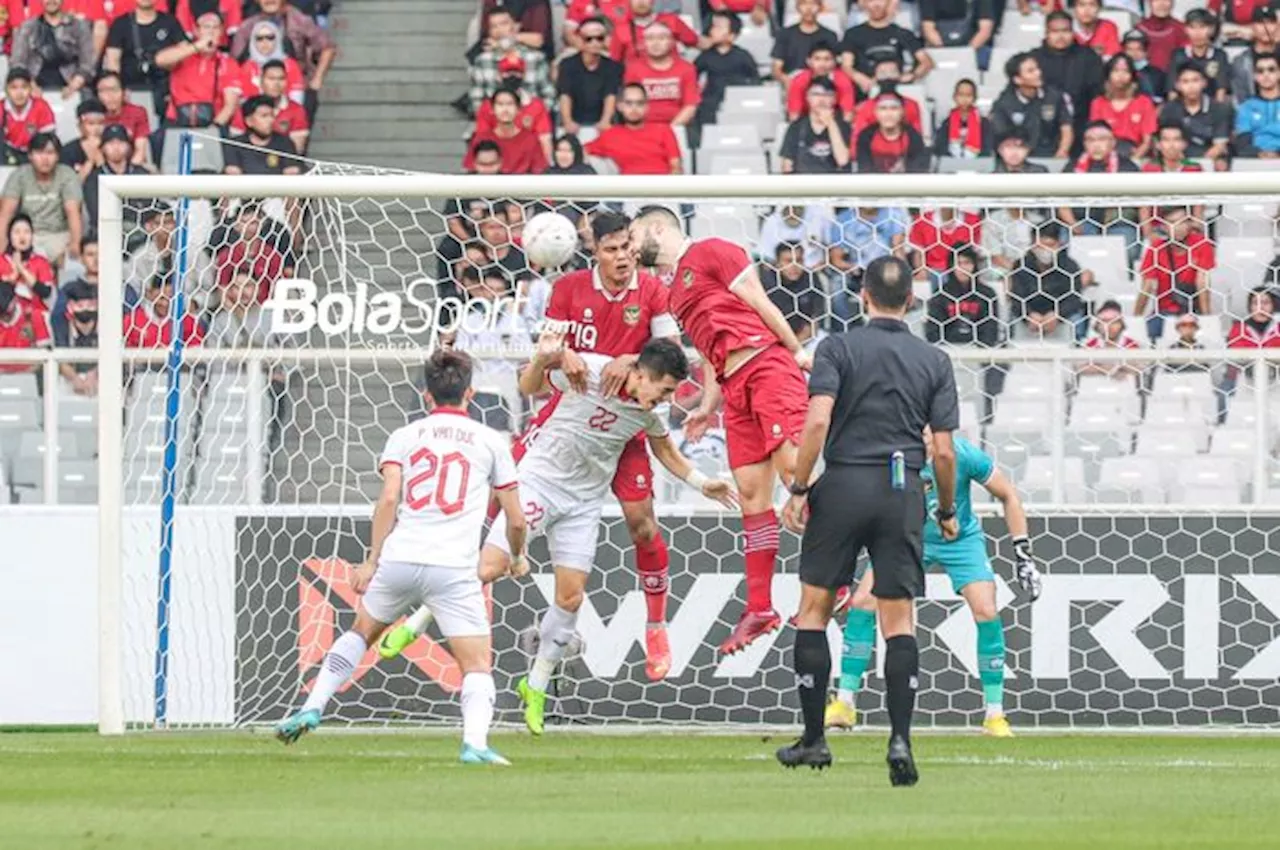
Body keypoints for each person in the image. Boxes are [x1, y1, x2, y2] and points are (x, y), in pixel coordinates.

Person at [382, 212, 689, 682]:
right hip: (565, 418)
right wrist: (558, 352)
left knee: (642, 525)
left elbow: (669, 347)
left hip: (625, 422)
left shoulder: (650, 291)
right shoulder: (567, 290)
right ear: (594, 252)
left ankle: (655, 625)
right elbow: (545, 351)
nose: (624, 256)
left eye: (628, 246)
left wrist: (628, 359)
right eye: (612, 249)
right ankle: (432, 604)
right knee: (495, 501)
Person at [272, 350, 527, 765]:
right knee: (477, 662)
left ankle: (313, 705)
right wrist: (516, 557)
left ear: (426, 395)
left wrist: (372, 560)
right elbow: (516, 519)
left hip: (400, 558)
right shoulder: (491, 442)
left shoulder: (405, 437)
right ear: (472, 393)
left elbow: (389, 496)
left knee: (360, 632)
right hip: (453, 567)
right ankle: (475, 744)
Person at [777, 254, 959, 783]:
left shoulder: (837, 347)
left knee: (813, 610)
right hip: (901, 488)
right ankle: (900, 739)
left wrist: (799, 486)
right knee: (898, 621)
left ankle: (814, 741)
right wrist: (944, 509)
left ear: (862, 296)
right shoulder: (934, 359)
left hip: (844, 483)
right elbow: (944, 452)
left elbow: (816, 422)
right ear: (911, 301)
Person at [497, 337, 735, 734]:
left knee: (577, 589)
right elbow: (530, 383)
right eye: (665, 391)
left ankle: (541, 681)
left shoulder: (647, 416)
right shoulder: (586, 371)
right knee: (492, 555)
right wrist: (550, 354)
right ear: (643, 375)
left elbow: (667, 451)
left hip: (583, 500)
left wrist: (701, 482)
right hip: (546, 477)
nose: (667, 400)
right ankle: (422, 616)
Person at [631, 205, 813, 654]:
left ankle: (838, 579)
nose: (631, 248)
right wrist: (707, 407)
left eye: (634, 237)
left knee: (796, 478)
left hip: (767, 368)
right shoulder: (673, 292)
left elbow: (759, 301)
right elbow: (713, 353)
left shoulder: (714, 251)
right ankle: (760, 608)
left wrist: (796, 352)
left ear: (657, 229)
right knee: (751, 496)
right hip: (734, 390)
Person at [826, 430, 1042, 737]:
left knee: (987, 611)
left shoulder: (962, 454)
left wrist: (1023, 554)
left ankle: (995, 714)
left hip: (960, 539)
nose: (925, 437)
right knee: (863, 602)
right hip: (905, 538)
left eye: (931, 430)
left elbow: (1008, 494)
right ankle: (844, 703)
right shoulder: (895, 456)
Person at [0, 133, 82, 265]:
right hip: (27, 235)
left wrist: (75, 243)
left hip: (59, 235)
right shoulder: (19, 175)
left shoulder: (67, 175)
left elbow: (73, 212)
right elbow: (5, 213)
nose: (45, 158)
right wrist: (2, 241)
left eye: (50, 153)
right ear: (30, 155)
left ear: (57, 156)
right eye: (39, 152)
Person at [1136, 205, 1214, 341]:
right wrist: (1135, 321)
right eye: (1171, 222)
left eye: (1182, 221)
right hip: (1164, 313)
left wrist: (1206, 319)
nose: (1177, 227)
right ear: (1164, 227)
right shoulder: (1156, 248)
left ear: (1189, 223)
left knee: (1202, 337)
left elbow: (1202, 282)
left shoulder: (1201, 243)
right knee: (1148, 335)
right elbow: (1147, 286)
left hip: (1192, 312)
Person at [155, 11, 242, 129]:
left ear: (221, 31)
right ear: (196, 30)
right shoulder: (183, 55)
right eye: (206, 27)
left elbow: (230, 105)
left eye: (215, 27)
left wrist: (212, 130)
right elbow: (160, 60)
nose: (210, 31)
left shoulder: (229, 63)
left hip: (211, 124)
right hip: (177, 122)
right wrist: (197, 46)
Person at [1009, 221, 1094, 342]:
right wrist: (1028, 315)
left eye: (1050, 245)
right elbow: (1016, 297)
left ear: (1059, 244)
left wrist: (1057, 314)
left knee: (1076, 319)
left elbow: (1074, 298)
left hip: (1062, 315)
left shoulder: (1070, 266)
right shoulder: (1020, 265)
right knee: (1011, 319)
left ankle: (1077, 348)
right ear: (1032, 245)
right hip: (1029, 315)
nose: (1045, 250)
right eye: (1040, 246)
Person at [584, 83, 681, 174]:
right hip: (629, 189)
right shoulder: (610, 135)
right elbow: (578, 150)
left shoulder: (663, 130)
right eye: (629, 103)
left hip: (663, 187)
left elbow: (676, 166)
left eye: (640, 103)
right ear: (620, 106)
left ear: (647, 106)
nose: (634, 108)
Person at [990, 53, 1074, 158]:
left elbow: (1066, 128)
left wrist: (1062, 152)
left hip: (1052, 155)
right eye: (1031, 71)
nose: (1038, 73)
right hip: (1019, 159)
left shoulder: (1055, 96)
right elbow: (1002, 138)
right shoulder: (1004, 104)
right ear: (1017, 79)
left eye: (1037, 68)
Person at [839, 0, 933, 94]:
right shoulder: (853, 34)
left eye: (881, 0)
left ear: (889, 3)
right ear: (864, 4)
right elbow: (846, 65)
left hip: (898, 88)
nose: (876, 5)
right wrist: (860, 78)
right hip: (867, 89)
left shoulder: (903, 33)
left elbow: (926, 62)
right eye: (871, 1)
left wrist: (912, 75)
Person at [103, 0, 185, 107]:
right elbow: (113, 61)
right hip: (131, 89)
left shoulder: (170, 22)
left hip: (166, 90)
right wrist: (118, 91)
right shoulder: (120, 24)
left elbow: (184, 50)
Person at [11, 0, 94, 99]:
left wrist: (73, 86)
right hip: (34, 83)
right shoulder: (28, 27)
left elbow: (88, 64)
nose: (51, 1)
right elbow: (17, 62)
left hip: (71, 82)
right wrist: (30, 85)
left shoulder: (79, 26)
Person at [555, 16, 622, 138]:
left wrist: (605, 121)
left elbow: (610, 95)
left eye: (599, 38)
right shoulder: (567, 64)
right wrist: (568, 121)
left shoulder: (613, 66)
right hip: (574, 121)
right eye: (588, 39)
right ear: (580, 39)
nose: (594, 43)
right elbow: (565, 94)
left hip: (600, 122)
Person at [623, 22, 699, 128]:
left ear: (672, 42)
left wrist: (671, 129)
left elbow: (690, 105)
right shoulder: (633, 69)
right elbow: (630, 105)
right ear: (643, 43)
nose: (656, 43)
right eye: (650, 39)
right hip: (642, 128)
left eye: (661, 38)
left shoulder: (687, 69)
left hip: (677, 127)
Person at [1158, 64, 1232, 167]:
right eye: (1185, 82)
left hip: (1208, 160)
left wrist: (1198, 165)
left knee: (1221, 163)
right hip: (1177, 160)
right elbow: (1164, 141)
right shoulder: (1169, 109)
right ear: (1177, 85)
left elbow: (1220, 145)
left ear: (1204, 83)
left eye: (1195, 80)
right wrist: (1184, 164)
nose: (1191, 86)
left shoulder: (1218, 108)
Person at [925, 246, 999, 347]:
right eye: (958, 263)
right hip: (949, 350)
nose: (962, 268)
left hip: (980, 352)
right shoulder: (941, 293)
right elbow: (934, 331)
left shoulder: (987, 294)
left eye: (967, 263)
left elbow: (991, 330)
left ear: (975, 265)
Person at [463, 86, 548, 174]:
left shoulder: (531, 140)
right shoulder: (481, 139)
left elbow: (539, 173)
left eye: (510, 104)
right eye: (500, 104)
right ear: (492, 110)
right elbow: (470, 173)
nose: (505, 109)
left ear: (519, 109)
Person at [1090, 53, 1159, 159]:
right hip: (1106, 157)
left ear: (1132, 76)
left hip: (1137, 156)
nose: (1120, 76)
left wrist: (1132, 162)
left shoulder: (1144, 102)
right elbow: (1095, 139)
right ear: (1108, 75)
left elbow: (1147, 142)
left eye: (1125, 71)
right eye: (1116, 71)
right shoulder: (1098, 103)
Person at [694, 11, 757, 125]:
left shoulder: (743, 56)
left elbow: (755, 80)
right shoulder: (705, 56)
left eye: (719, 28)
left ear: (732, 35)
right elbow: (693, 76)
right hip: (710, 102)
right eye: (713, 27)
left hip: (738, 101)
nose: (713, 30)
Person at [779, 77, 851, 174]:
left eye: (827, 95)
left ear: (834, 99)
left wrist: (830, 123)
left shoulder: (844, 126)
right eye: (816, 94)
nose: (821, 99)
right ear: (807, 97)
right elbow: (787, 165)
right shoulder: (796, 126)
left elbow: (842, 160)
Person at [82, 123, 148, 226]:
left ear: (129, 146)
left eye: (121, 142)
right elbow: (95, 213)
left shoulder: (141, 173)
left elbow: (150, 209)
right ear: (102, 148)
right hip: (104, 233)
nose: (116, 147)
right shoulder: (94, 178)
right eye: (111, 143)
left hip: (140, 232)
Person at [1167, 8, 1231, 103]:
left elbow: (1221, 90)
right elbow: (1172, 91)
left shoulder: (1219, 56)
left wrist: (1217, 114)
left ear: (1211, 29)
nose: (1197, 32)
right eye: (1192, 27)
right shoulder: (1178, 55)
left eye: (1202, 27)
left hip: (1211, 108)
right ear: (1186, 30)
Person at [855, 91, 929, 173]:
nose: (888, 114)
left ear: (902, 112)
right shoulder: (866, 136)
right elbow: (865, 173)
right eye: (883, 108)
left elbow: (916, 175)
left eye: (894, 108)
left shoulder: (913, 137)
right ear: (876, 112)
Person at [236, 19, 305, 106]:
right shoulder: (247, 67)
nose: (265, 42)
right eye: (259, 38)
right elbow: (243, 99)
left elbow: (297, 98)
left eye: (270, 37)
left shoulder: (290, 65)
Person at [786, 43, 856, 123]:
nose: (822, 64)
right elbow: (794, 115)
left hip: (835, 121)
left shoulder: (843, 80)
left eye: (827, 59)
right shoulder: (800, 80)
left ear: (834, 61)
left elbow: (848, 115)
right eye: (817, 59)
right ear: (808, 61)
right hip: (806, 121)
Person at [95, 71, 154, 166]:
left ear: (123, 92)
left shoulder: (137, 112)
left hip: (133, 166)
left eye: (113, 90)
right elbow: (96, 152)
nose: (109, 96)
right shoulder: (96, 116)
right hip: (105, 169)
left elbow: (140, 150)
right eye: (103, 91)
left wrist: (127, 175)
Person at [771, 0, 839, 82]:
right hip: (792, 80)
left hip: (821, 83)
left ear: (820, 7)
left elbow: (834, 66)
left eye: (813, 4)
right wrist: (787, 81)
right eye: (804, 4)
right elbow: (777, 68)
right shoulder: (785, 34)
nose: (808, 8)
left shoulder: (829, 35)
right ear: (797, 7)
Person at [2, 68, 57, 160]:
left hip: (34, 156)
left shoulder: (41, 107)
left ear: (30, 89)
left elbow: (47, 140)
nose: (19, 93)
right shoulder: (1, 108)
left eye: (24, 87)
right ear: (7, 90)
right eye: (14, 87)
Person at [933, 78, 991, 160]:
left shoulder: (984, 123)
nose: (964, 99)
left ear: (975, 98)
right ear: (954, 97)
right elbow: (940, 148)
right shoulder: (946, 123)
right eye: (961, 95)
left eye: (968, 95)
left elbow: (987, 148)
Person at [1235, 53, 1280, 157]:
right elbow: (1242, 144)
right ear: (1255, 76)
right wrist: (1260, 154)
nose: (1266, 74)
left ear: (1279, 73)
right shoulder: (1246, 107)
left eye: (1271, 69)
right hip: (1255, 161)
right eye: (1260, 71)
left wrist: (1277, 154)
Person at [1136, 0, 1187, 74]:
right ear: (1150, 3)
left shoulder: (1181, 29)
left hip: (1174, 78)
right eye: (1156, 0)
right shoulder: (1139, 29)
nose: (1161, 4)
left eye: (1166, 0)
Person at [1121, 29, 1168, 101]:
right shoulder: (1118, 74)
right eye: (1130, 49)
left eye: (1139, 49)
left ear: (1146, 52)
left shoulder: (1158, 74)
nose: (1134, 53)